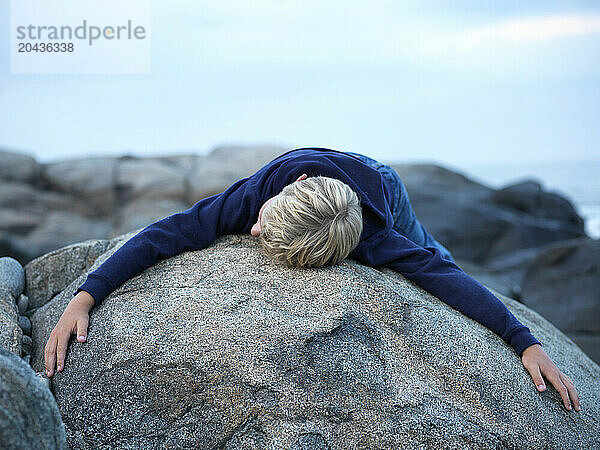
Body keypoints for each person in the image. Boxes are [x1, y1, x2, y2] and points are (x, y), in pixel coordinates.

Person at [44, 147, 581, 412]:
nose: (250, 228)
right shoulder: (256, 194)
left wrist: (524, 341)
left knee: (430, 251)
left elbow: (441, 279)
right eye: (261, 223)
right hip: (325, 178)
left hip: (382, 190)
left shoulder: (377, 239)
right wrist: (86, 297)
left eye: (259, 228)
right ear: (287, 188)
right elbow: (166, 233)